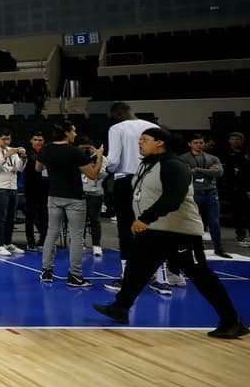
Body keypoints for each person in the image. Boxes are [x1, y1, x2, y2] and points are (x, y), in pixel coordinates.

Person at [92, 127, 248, 339]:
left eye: (144, 139)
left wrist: (145, 218)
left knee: (200, 275)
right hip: (155, 230)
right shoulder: (147, 164)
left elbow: (173, 198)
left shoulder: (174, 165)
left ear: (159, 142)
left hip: (179, 231)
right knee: (137, 267)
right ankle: (120, 307)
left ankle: (231, 320)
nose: (140, 143)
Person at [34, 122, 102, 287]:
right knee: (77, 236)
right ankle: (75, 275)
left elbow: (38, 168)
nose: (75, 133)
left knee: (52, 233)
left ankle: (46, 271)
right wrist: (99, 156)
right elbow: (93, 175)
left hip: (54, 196)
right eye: (73, 130)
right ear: (66, 133)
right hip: (74, 198)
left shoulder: (46, 149)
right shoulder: (75, 151)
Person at [103, 102, 157, 292]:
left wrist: (103, 163)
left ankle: (127, 276)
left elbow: (114, 161)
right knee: (154, 228)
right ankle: (162, 278)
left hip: (127, 180)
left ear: (116, 114)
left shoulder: (117, 128)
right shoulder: (153, 127)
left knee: (126, 228)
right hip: (153, 180)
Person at [182, 132, 228, 258]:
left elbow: (219, 173)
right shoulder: (184, 158)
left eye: (201, 142)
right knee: (194, 221)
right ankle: (194, 246)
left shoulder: (212, 158)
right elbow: (186, 173)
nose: (199, 145)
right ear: (189, 144)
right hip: (194, 192)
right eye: (196, 143)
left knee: (214, 221)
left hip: (211, 192)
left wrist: (197, 170)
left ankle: (218, 247)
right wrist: (208, 171)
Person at [0, 129, 26, 256]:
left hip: (13, 187)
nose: (6, 142)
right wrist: (6, 156)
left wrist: (23, 158)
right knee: (0, 217)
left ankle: (7, 243)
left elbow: (19, 168)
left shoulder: (12, 150)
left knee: (10, 218)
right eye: (3, 139)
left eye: (8, 139)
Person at [76, 135, 106, 257]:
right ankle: (79, 243)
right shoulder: (76, 157)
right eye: (82, 148)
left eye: (87, 148)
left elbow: (103, 174)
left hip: (95, 192)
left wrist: (95, 161)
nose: (85, 151)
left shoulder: (101, 158)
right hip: (80, 191)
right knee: (79, 220)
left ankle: (96, 245)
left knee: (95, 220)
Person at [22, 132, 49, 248]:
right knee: (30, 217)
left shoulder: (48, 153)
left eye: (40, 140)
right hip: (31, 190)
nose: (38, 142)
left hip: (45, 189)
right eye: (36, 139)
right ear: (31, 141)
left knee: (44, 217)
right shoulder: (27, 154)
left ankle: (43, 241)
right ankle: (30, 242)